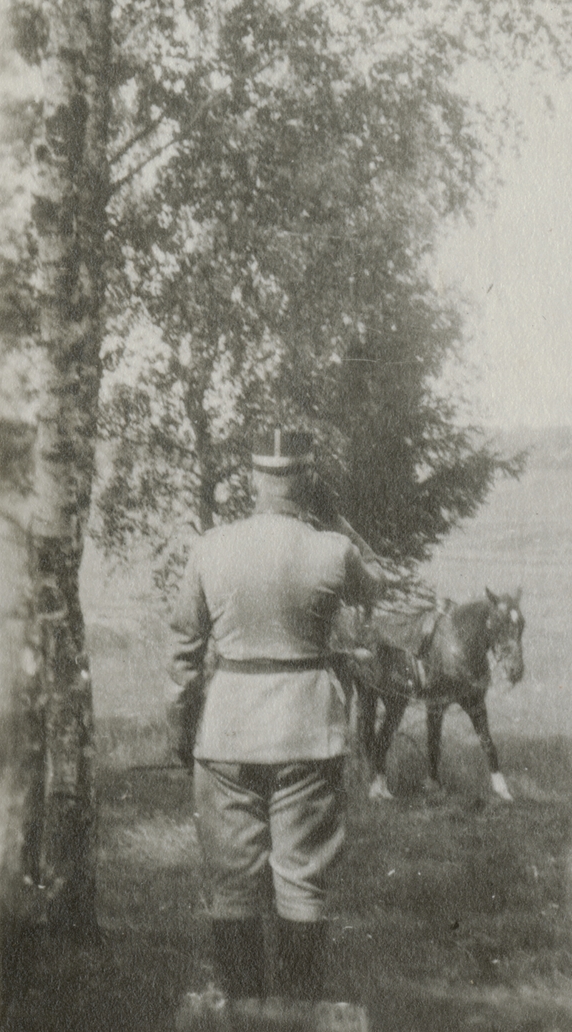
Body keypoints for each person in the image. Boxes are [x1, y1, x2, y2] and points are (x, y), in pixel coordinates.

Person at [166, 430, 385, 1004]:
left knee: (233, 888)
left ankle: (241, 1013)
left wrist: (181, 731)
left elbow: (184, 652)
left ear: (253, 479)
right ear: (308, 481)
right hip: (307, 731)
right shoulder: (333, 549)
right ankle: (298, 1014)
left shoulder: (211, 547)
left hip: (228, 733)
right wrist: (337, 520)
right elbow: (377, 583)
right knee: (302, 884)